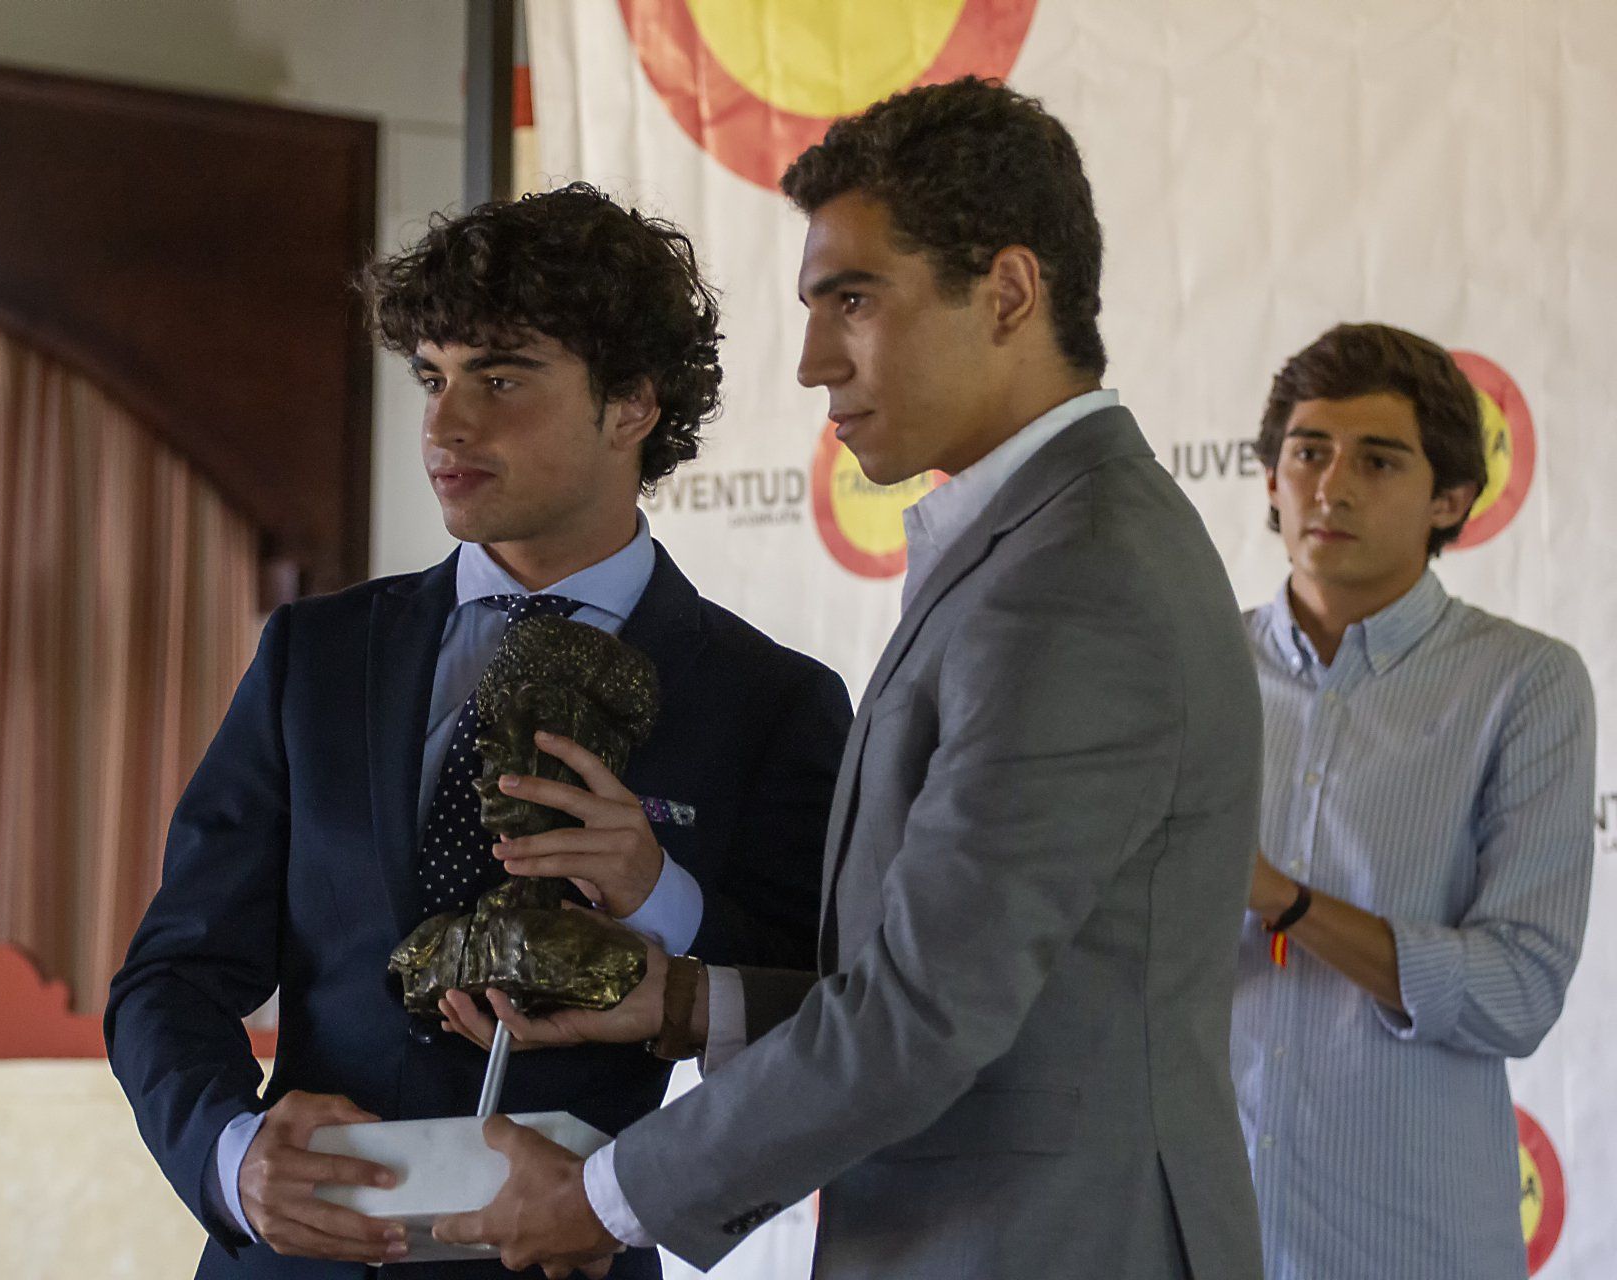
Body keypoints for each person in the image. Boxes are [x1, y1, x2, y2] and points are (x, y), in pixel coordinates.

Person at [435, 77, 1265, 1280]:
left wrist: (601, 1198)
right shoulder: (1046, 541)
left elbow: (926, 1018)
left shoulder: (1075, 578)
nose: (815, 360)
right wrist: (687, 1002)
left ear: (1009, 293)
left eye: (855, 301)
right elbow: (981, 997)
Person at [104, 183, 853, 1280]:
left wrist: (661, 895)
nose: (446, 425)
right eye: (433, 378)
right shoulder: (316, 657)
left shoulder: (770, 700)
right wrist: (232, 1157)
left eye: (500, 379)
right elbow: (170, 976)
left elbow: (830, 1027)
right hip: (298, 1259)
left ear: (631, 405)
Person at [1232, 322, 1595, 1279]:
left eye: (1379, 460)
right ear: (1269, 477)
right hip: (1203, 1236)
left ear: (1452, 499)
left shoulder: (1525, 683)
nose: (1332, 486)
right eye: (1308, 452)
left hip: (1411, 1245)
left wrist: (1285, 901)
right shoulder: (1193, 668)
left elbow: (1518, 993)